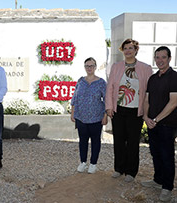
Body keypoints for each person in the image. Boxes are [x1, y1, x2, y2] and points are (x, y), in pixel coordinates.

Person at [105, 39, 152, 182]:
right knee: (118, 140)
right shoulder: (116, 66)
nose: (128, 51)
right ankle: (119, 168)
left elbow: (149, 91)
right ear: (122, 50)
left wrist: (147, 111)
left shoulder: (145, 68)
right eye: (125, 48)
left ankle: (131, 172)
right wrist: (109, 107)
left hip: (135, 111)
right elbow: (110, 88)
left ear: (136, 50)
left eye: (131, 48)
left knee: (132, 142)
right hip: (118, 109)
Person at [141, 46, 177, 202]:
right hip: (152, 123)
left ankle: (167, 187)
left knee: (167, 155)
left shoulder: (174, 77)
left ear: (169, 58)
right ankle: (158, 180)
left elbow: (173, 103)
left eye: (163, 57)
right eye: (157, 57)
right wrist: (146, 117)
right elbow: (147, 100)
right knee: (155, 153)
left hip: (168, 124)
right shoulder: (153, 78)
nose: (160, 60)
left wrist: (155, 120)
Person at [71, 57, 108, 174]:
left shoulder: (101, 82)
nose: (89, 68)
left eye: (91, 66)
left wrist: (105, 115)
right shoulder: (80, 81)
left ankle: (93, 163)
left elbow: (107, 99)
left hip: (96, 117)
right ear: (84, 67)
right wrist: (73, 113)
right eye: (87, 66)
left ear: (95, 67)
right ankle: (83, 162)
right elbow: (75, 98)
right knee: (83, 141)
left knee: (95, 141)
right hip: (81, 117)